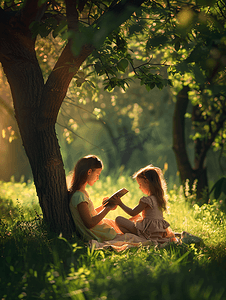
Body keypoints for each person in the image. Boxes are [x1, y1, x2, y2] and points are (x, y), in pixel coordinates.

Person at [111, 165, 176, 244]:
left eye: (140, 184)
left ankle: (139, 237)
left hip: (147, 232)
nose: (139, 187)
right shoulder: (160, 199)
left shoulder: (147, 200)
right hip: (158, 233)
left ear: (147, 182)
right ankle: (138, 235)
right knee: (137, 218)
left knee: (119, 220)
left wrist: (120, 203)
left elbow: (132, 213)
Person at [68, 155, 122, 243]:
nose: (98, 178)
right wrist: (107, 208)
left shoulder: (81, 193)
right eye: (97, 174)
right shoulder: (79, 196)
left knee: (124, 228)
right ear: (89, 172)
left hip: (99, 232)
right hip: (98, 235)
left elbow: (89, 214)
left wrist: (104, 206)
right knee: (130, 237)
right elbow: (89, 223)